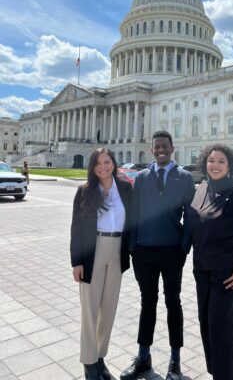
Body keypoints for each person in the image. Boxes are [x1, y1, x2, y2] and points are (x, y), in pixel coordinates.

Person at [121, 131, 195, 380]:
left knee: (173, 302)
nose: (161, 149)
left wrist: (184, 246)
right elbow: (133, 213)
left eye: (165, 146)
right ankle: (143, 357)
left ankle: (175, 361)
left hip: (173, 252)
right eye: (157, 146)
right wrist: (132, 246)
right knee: (147, 303)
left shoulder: (185, 177)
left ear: (172, 149)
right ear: (152, 150)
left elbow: (191, 214)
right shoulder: (141, 177)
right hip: (144, 252)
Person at [186, 144, 233, 380]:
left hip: (229, 274)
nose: (215, 165)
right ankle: (218, 374)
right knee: (207, 326)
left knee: (224, 332)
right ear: (204, 163)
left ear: (229, 165)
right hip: (203, 270)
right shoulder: (201, 188)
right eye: (211, 160)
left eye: (221, 161)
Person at [70, 148, 132, 380]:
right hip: (92, 251)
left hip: (117, 251)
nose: (103, 167)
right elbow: (76, 229)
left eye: (107, 162)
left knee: (108, 309)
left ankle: (100, 358)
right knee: (90, 310)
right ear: (92, 167)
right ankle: (89, 363)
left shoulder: (125, 189)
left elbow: (133, 221)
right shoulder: (85, 191)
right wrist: (76, 261)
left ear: (114, 164)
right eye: (98, 163)